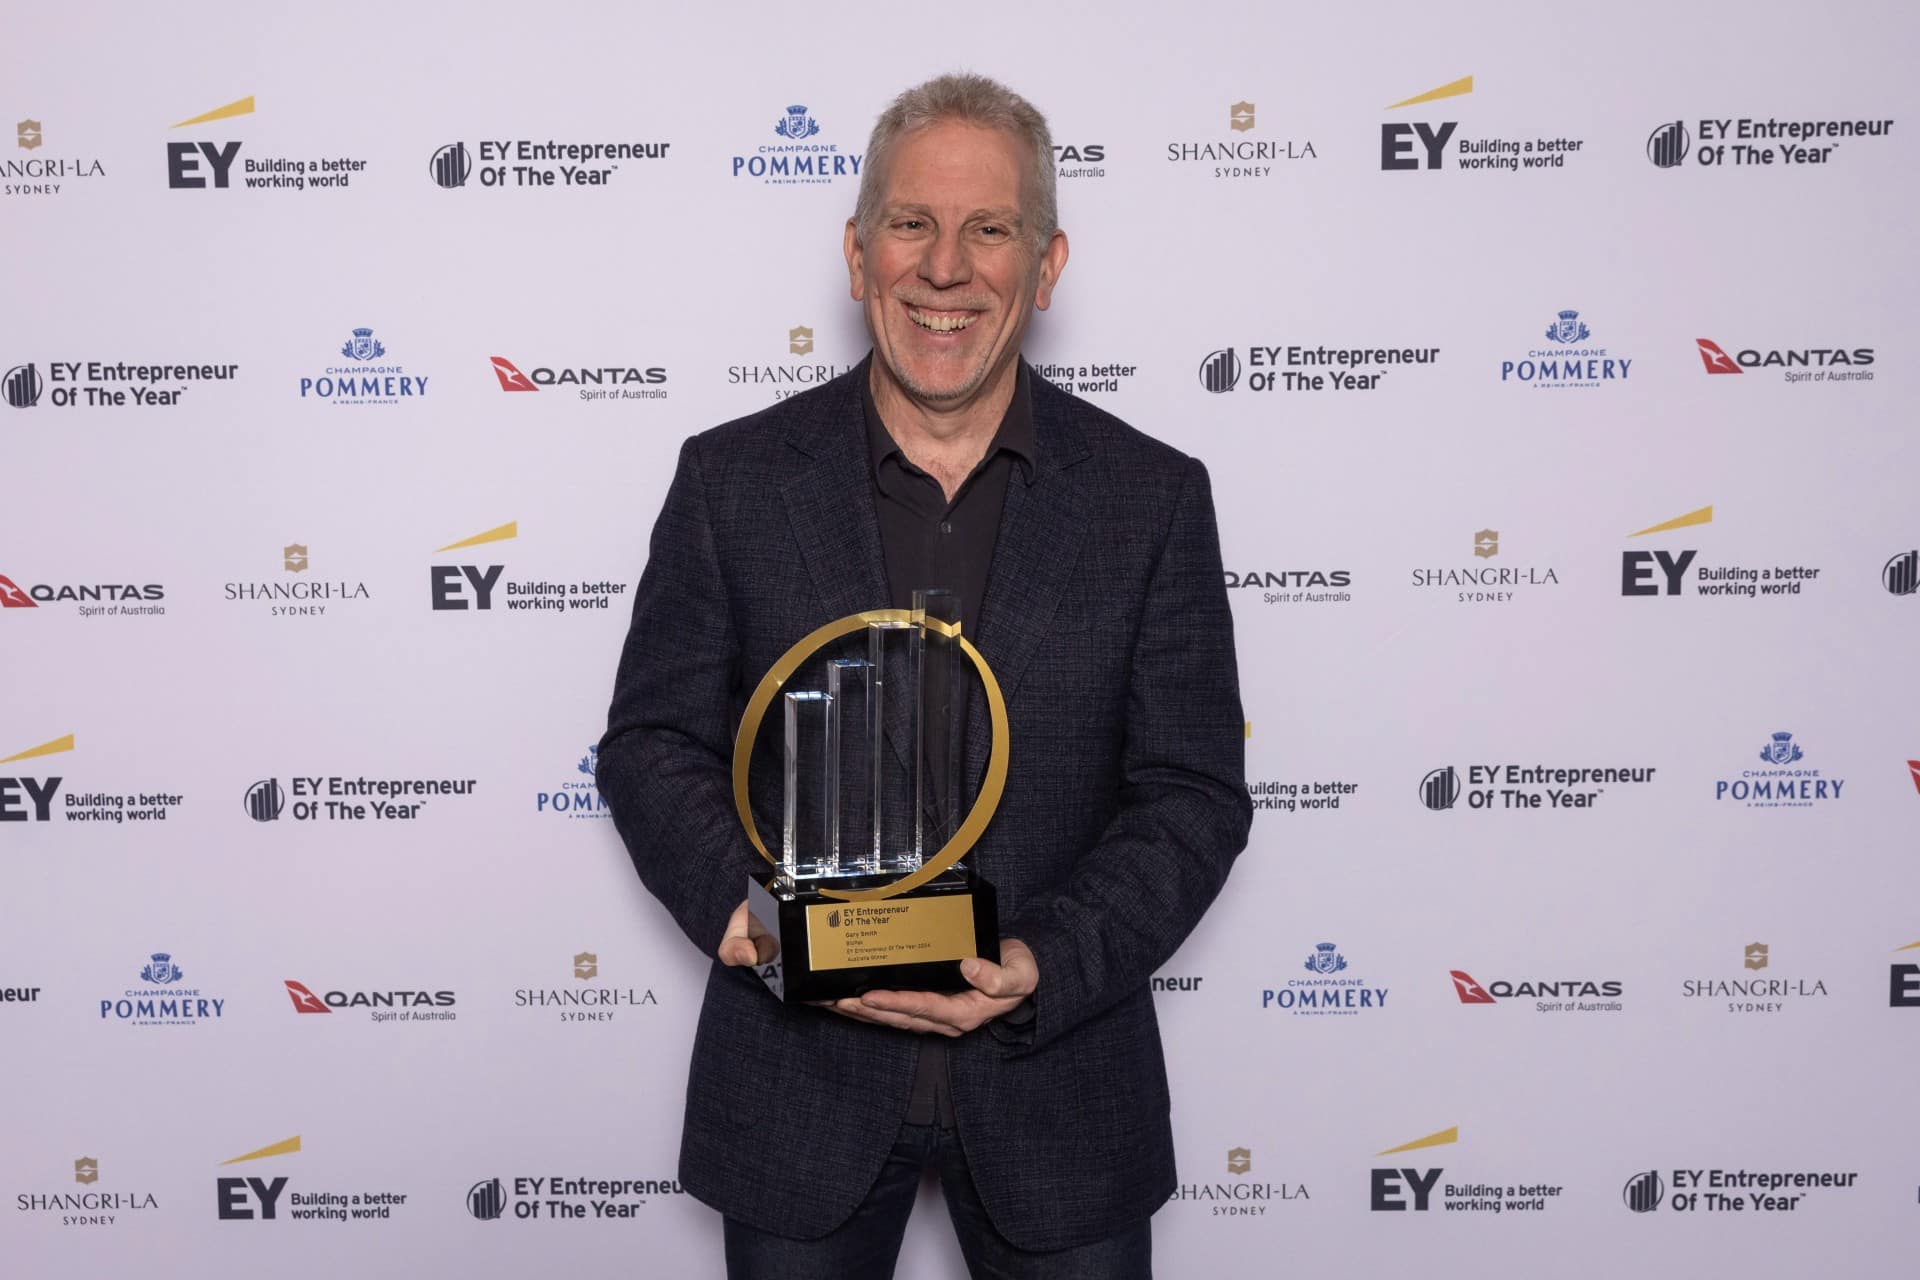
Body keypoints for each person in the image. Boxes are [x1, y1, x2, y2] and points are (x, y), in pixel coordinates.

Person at [598, 72, 1250, 1279]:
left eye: (989, 228)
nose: (945, 268)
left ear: (1046, 266)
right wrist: (759, 927)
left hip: (1063, 1093)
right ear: (859, 255)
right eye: (911, 223)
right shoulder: (732, 481)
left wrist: (1042, 959)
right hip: (798, 1089)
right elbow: (652, 743)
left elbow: (1193, 792)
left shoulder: (1153, 497)